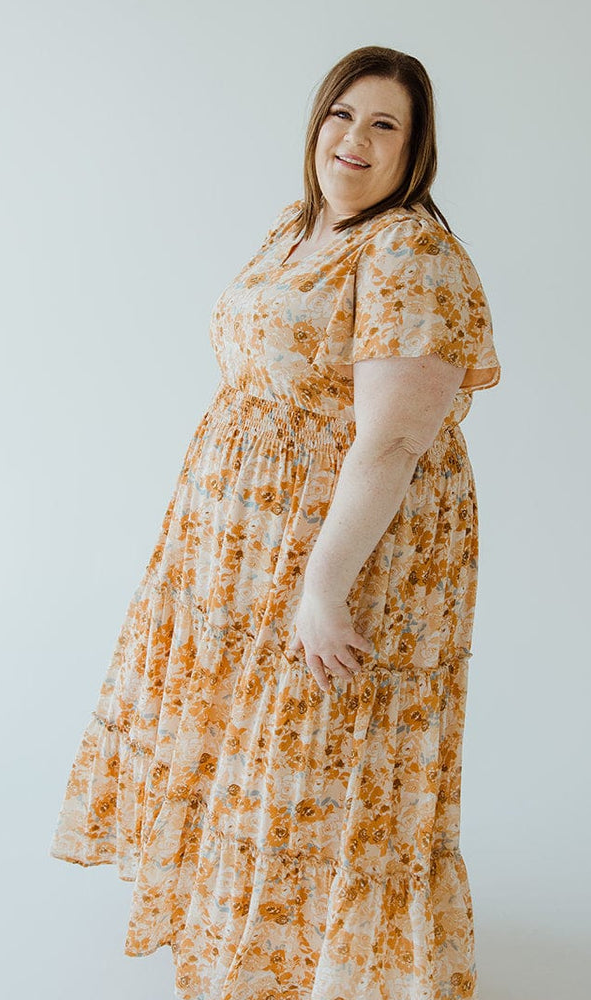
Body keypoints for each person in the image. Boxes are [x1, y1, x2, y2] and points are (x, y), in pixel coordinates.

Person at [50, 44, 501, 1000]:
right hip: (247, 533)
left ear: (416, 151)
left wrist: (324, 585)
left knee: (317, 744)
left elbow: (390, 442)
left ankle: (336, 965)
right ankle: (252, 945)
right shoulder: (298, 227)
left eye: (386, 125)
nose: (355, 139)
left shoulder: (407, 250)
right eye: (343, 114)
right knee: (247, 737)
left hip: (348, 547)